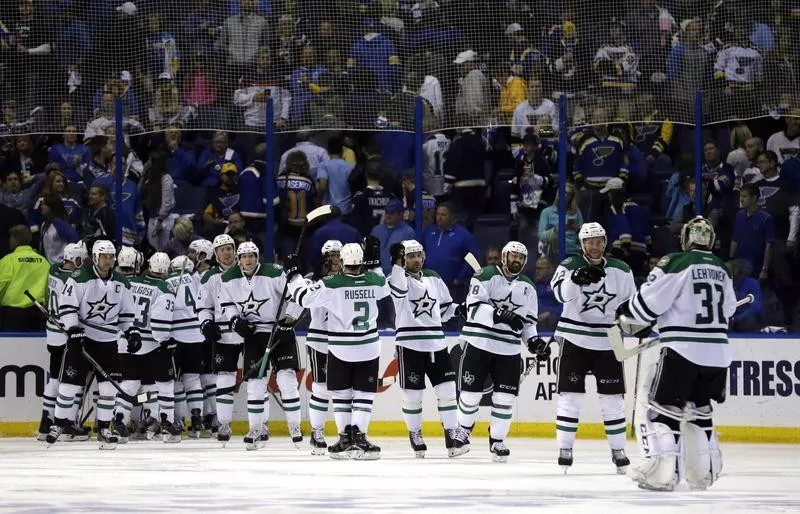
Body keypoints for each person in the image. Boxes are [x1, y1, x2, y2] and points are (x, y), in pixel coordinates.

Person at [617, 216, 736, 491]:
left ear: (686, 239)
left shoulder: (677, 262)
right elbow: (728, 310)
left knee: (660, 412)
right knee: (699, 411)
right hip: (718, 353)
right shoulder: (723, 268)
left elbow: (646, 304)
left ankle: (662, 475)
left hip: (682, 350)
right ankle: (703, 474)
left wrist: (626, 312)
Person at [286, 237, 390, 460]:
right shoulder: (375, 281)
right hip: (368, 347)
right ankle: (360, 437)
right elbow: (384, 285)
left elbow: (303, 298)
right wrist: (375, 263)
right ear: (361, 262)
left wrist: (294, 276)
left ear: (342, 262)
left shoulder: (331, 284)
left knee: (341, 395)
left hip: (339, 347)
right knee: (363, 395)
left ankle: (344, 438)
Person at [549, 222, 636, 473]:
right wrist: (575, 279)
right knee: (570, 396)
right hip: (575, 337)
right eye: (589, 241)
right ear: (582, 243)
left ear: (605, 242)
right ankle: (565, 448)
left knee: (612, 400)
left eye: (599, 240)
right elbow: (561, 295)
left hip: (609, 339)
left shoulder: (621, 269)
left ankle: (618, 450)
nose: (594, 245)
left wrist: (635, 324)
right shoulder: (569, 266)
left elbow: (630, 306)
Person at [451, 241, 540, 462]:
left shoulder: (528, 287)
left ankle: (497, 440)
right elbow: (473, 307)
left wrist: (534, 342)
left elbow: (528, 323)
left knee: (504, 398)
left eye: (521, 257)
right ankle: (463, 430)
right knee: (470, 395)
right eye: (513, 256)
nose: (516, 260)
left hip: (509, 350)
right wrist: (498, 314)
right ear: (504, 257)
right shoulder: (485, 276)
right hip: (479, 343)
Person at [46, 240, 139, 450]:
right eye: (104, 256)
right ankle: (58, 424)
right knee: (69, 386)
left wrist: (131, 332)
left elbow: (126, 314)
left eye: (111, 257)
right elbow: (67, 306)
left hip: (107, 343)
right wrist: (73, 330)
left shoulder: (122, 283)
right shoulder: (80, 278)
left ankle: (104, 428)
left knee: (108, 389)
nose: (108, 261)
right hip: (82, 339)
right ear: (95, 257)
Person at [217, 242, 304, 450]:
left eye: (252, 255)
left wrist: (289, 322)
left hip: (279, 332)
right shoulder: (228, 278)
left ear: (258, 257)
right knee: (255, 385)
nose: (248, 259)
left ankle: (295, 427)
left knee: (287, 380)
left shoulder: (274, 273)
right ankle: (256, 428)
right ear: (239, 259)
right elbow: (227, 304)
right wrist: (235, 322)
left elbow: (298, 298)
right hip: (254, 335)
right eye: (245, 256)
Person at [388, 239, 460, 457]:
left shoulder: (434, 278)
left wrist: (461, 309)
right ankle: (415, 433)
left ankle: (451, 434)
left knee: (447, 392)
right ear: (403, 259)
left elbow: (446, 309)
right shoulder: (396, 278)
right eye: (410, 256)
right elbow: (399, 292)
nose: (416, 259)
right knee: (413, 395)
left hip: (437, 344)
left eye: (419, 255)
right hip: (410, 345)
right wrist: (397, 264)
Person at [113, 252, 180, 443]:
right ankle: (165, 425)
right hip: (152, 345)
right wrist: (166, 340)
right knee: (164, 386)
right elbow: (159, 324)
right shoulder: (164, 288)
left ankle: (119, 422)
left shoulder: (132, 283)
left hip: (127, 341)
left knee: (131, 385)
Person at [37, 242, 88, 441]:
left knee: (55, 378)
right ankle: (67, 424)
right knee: (72, 379)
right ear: (76, 259)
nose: (83, 264)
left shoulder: (53, 269)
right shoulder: (73, 279)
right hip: (67, 336)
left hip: (52, 333)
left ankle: (45, 422)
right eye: (81, 260)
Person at [196, 234, 238, 439]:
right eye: (222, 249)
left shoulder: (247, 270)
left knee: (258, 378)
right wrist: (206, 323)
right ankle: (223, 424)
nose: (226, 252)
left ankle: (261, 423)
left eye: (229, 248)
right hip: (224, 333)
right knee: (224, 377)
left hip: (249, 332)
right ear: (216, 253)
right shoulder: (208, 277)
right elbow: (203, 307)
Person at [305, 240, 342, 454]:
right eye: (330, 254)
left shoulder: (350, 279)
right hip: (320, 341)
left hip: (344, 340)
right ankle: (317, 431)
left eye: (338, 253)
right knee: (321, 387)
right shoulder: (314, 282)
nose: (335, 258)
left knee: (342, 390)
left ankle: (344, 433)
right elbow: (305, 301)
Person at [166, 255, 206, 438]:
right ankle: (197, 420)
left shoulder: (167, 282)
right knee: (193, 379)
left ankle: (178, 420)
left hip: (176, 336)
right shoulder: (198, 279)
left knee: (175, 381)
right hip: (197, 336)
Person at [186, 239, 217, 436]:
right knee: (201, 376)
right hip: (194, 332)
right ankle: (208, 416)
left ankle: (213, 416)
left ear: (203, 256)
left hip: (207, 331)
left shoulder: (210, 277)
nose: (188, 255)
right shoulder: (193, 275)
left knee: (208, 376)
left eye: (192, 252)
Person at [0, 225, 50, 331]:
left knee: (10, 346)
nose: (9, 240)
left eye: (11, 237)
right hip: (37, 312)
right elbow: (48, 287)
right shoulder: (43, 261)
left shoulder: (8, 260)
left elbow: (1, 283)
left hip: (12, 314)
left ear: (16, 239)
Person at [371, 199, 416, 275]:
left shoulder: (408, 232)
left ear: (400, 214)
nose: (388, 215)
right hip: (377, 276)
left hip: (397, 277)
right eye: (387, 212)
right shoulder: (376, 230)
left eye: (392, 213)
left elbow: (411, 258)